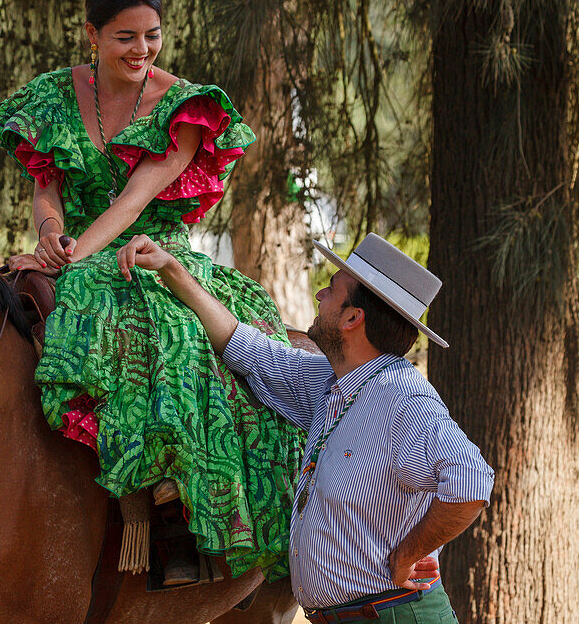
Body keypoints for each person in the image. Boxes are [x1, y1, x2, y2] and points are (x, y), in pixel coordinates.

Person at [0, 0, 304, 586]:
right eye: (124, 36)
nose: (141, 51)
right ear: (91, 34)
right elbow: (46, 181)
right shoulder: (52, 95)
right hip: (75, 245)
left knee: (179, 337)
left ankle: (176, 511)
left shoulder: (185, 105)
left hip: (148, 251)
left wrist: (72, 257)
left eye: (152, 35)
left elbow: (133, 201)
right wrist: (50, 233)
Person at [116, 231, 495, 621]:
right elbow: (242, 345)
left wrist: (407, 555)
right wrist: (172, 269)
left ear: (352, 318)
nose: (319, 296)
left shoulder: (403, 398)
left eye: (331, 290)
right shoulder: (331, 381)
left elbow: (471, 482)